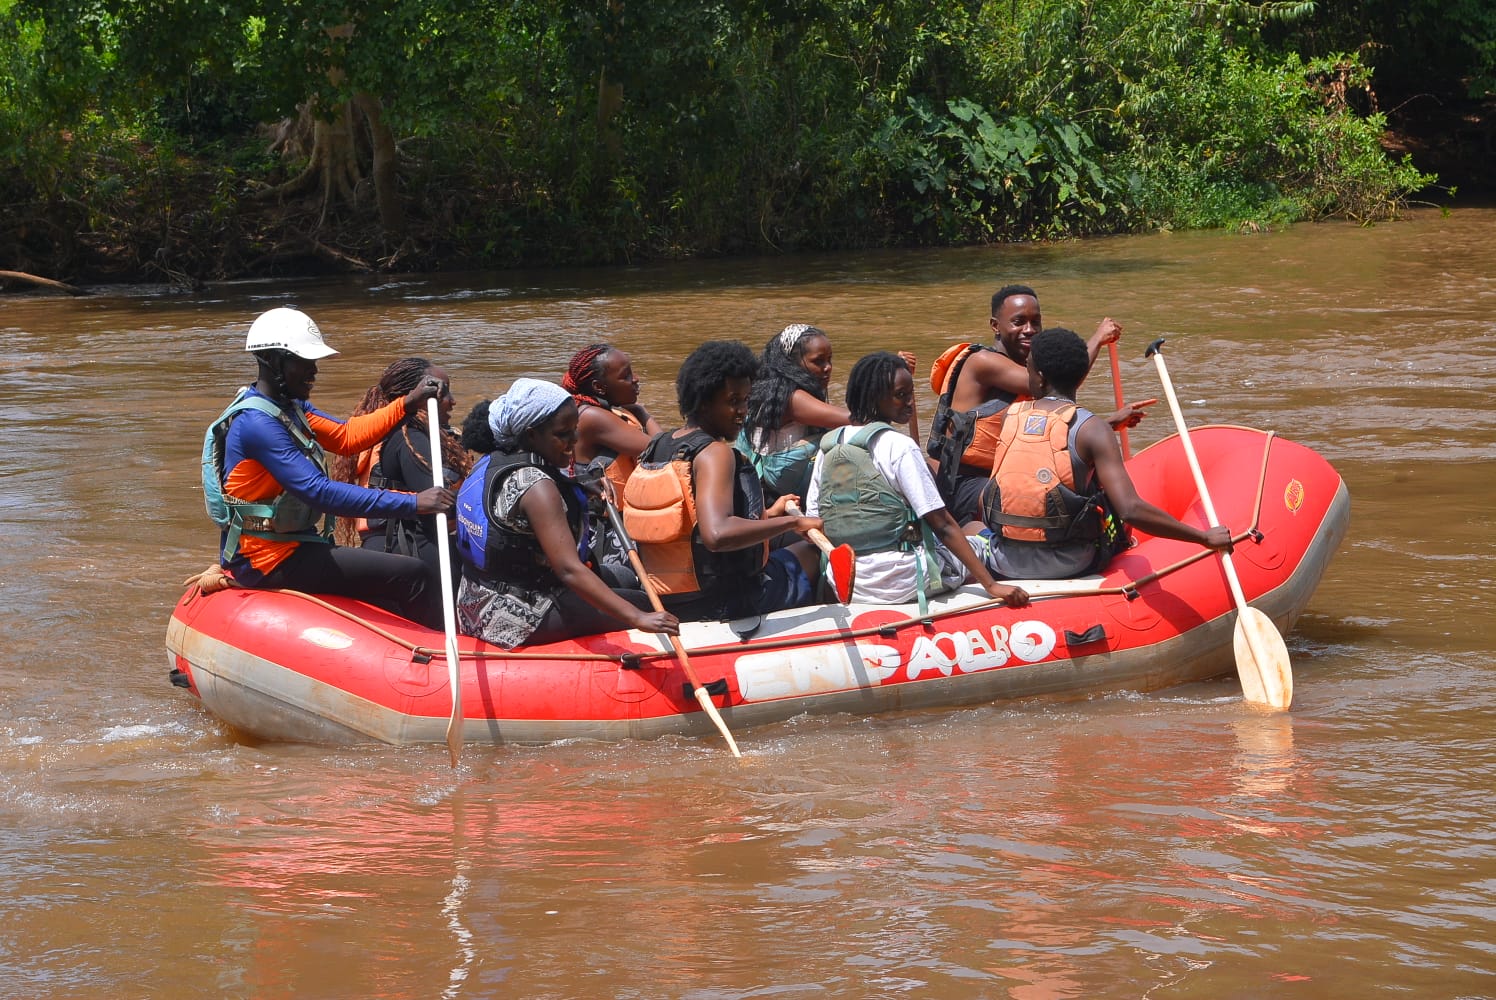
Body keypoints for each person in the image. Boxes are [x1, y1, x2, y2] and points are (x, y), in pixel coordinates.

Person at [203, 306, 454, 627]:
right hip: (267, 560)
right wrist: (415, 502)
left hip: (295, 545)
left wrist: (407, 402)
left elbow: (347, 437)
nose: (314, 372)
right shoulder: (258, 424)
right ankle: (437, 658)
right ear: (275, 362)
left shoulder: (289, 409)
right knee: (415, 574)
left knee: (387, 583)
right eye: (305, 363)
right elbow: (317, 492)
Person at [966, 328, 1234, 580]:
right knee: (1109, 512)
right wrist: (1203, 537)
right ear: (1081, 374)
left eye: (1030, 369)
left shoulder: (1010, 419)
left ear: (1041, 378)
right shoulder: (1093, 430)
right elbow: (1130, 510)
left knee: (971, 528)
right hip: (1072, 561)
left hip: (1005, 558)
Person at [453, 377, 678, 648]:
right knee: (641, 601)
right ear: (532, 433)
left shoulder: (492, 460)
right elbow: (569, 570)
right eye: (563, 434)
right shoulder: (538, 488)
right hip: (510, 616)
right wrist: (639, 618)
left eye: (575, 430)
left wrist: (580, 482)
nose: (575, 441)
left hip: (474, 600)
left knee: (625, 577)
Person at [805, 352, 1029, 612]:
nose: (911, 402)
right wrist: (991, 586)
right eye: (901, 395)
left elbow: (816, 522)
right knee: (977, 535)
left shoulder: (828, 447)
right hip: (904, 581)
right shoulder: (899, 446)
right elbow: (943, 524)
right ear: (875, 397)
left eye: (911, 393)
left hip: (848, 582)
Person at [623, 340, 823, 622]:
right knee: (811, 549)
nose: (743, 411)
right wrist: (794, 522)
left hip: (671, 598)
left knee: (785, 540)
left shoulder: (661, 444)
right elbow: (715, 535)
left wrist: (770, 514)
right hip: (723, 601)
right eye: (732, 401)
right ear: (704, 401)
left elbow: (689, 522)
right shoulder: (715, 453)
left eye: (745, 400)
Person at [927, 284, 1146, 522]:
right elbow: (1062, 379)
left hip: (1003, 475)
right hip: (963, 484)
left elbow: (1046, 433)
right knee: (1044, 501)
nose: (1029, 330)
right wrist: (1097, 339)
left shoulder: (1029, 368)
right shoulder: (983, 363)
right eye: (1018, 322)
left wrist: (1108, 423)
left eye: (1036, 322)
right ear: (995, 325)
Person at [331, 358, 472, 584]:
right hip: (409, 549)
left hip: (385, 544)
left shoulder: (390, 433)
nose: (452, 401)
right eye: (443, 394)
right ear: (418, 395)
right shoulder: (409, 438)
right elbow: (440, 502)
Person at [735, 323, 851, 505]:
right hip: (781, 486)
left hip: (764, 482)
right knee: (848, 437)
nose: (828, 367)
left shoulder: (769, 391)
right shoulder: (794, 399)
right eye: (818, 361)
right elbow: (857, 420)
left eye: (829, 359)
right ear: (791, 363)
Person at [562, 343, 662, 496]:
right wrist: (642, 413)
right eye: (626, 375)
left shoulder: (592, 410)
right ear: (599, 387)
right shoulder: (592, 416)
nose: (635, 379)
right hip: (598, 517)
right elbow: (663, 452)